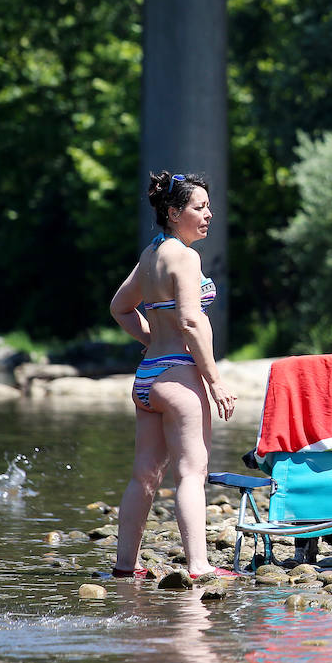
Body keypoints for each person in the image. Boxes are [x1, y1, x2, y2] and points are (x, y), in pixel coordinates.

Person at [109, 171, 241, 579]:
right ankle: (199, 565)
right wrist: (215, 381)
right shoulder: (184, 257)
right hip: (179, 375)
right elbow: (190, 319)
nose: (208, 215)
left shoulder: (152, 254)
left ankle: (125, 566)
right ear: (173, 211)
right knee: (191, 471)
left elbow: (119, 307)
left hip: (148, 376)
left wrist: (150, 341)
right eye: (199, 208)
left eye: (208, 207)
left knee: (144, 474)